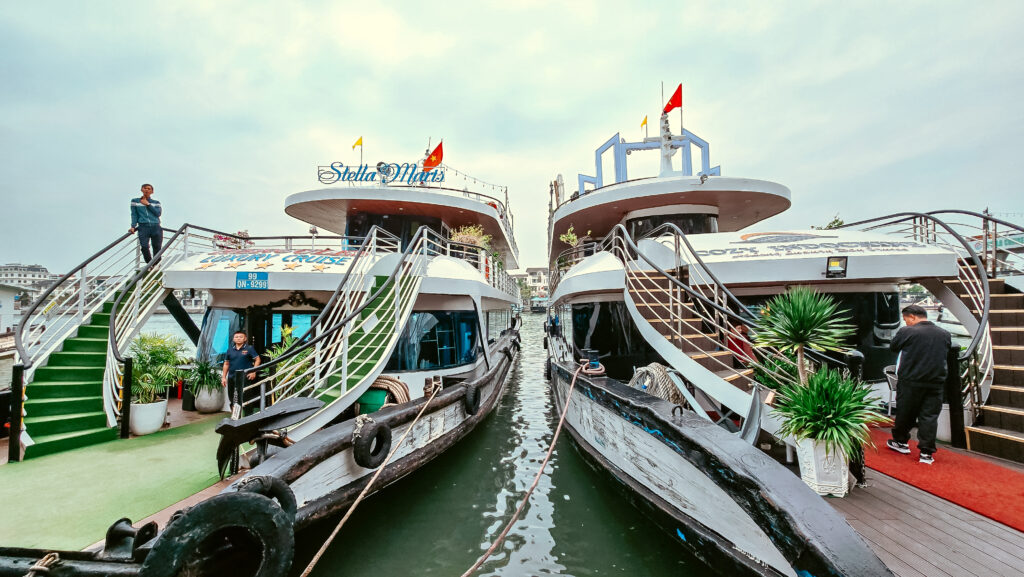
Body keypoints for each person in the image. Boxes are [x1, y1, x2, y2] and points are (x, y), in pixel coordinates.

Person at [887, 304, 952, 465]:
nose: (905, 322)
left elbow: (894, 347)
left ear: (912, 317)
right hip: (936, 382)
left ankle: (901, 442)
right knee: (929, 416)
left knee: (905, 411)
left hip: (911, 380)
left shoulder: (907, 331)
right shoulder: (944, 333)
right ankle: (926, 453)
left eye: (905, 319)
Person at [221, 330, 261, 412]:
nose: (238, 338)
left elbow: (258, 359)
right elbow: (226, 364)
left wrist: (253, 371)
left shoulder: (249, 349)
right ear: (233, 339)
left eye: (241, 337)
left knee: (246, 396)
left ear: (245, 339)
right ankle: (235, 415)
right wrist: (224, 377)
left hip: (245, 377)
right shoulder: (229, 350)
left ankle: (248, 415)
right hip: (232, 376)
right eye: (236, 337)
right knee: (232, 397)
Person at [129, 183, 163, 263]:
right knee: (144, 246)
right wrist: (133, 226)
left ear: (152, 191)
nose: (147, 190)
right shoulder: (135, 201)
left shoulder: (156, 202)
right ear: (141, 190)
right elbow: (134, 214)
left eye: (149, 189)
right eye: (145, 188)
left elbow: (158, 213)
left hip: (156, 226)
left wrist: (148, 204)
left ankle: (156, 264)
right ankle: (149, 263)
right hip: (143, 227)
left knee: (157, 247)